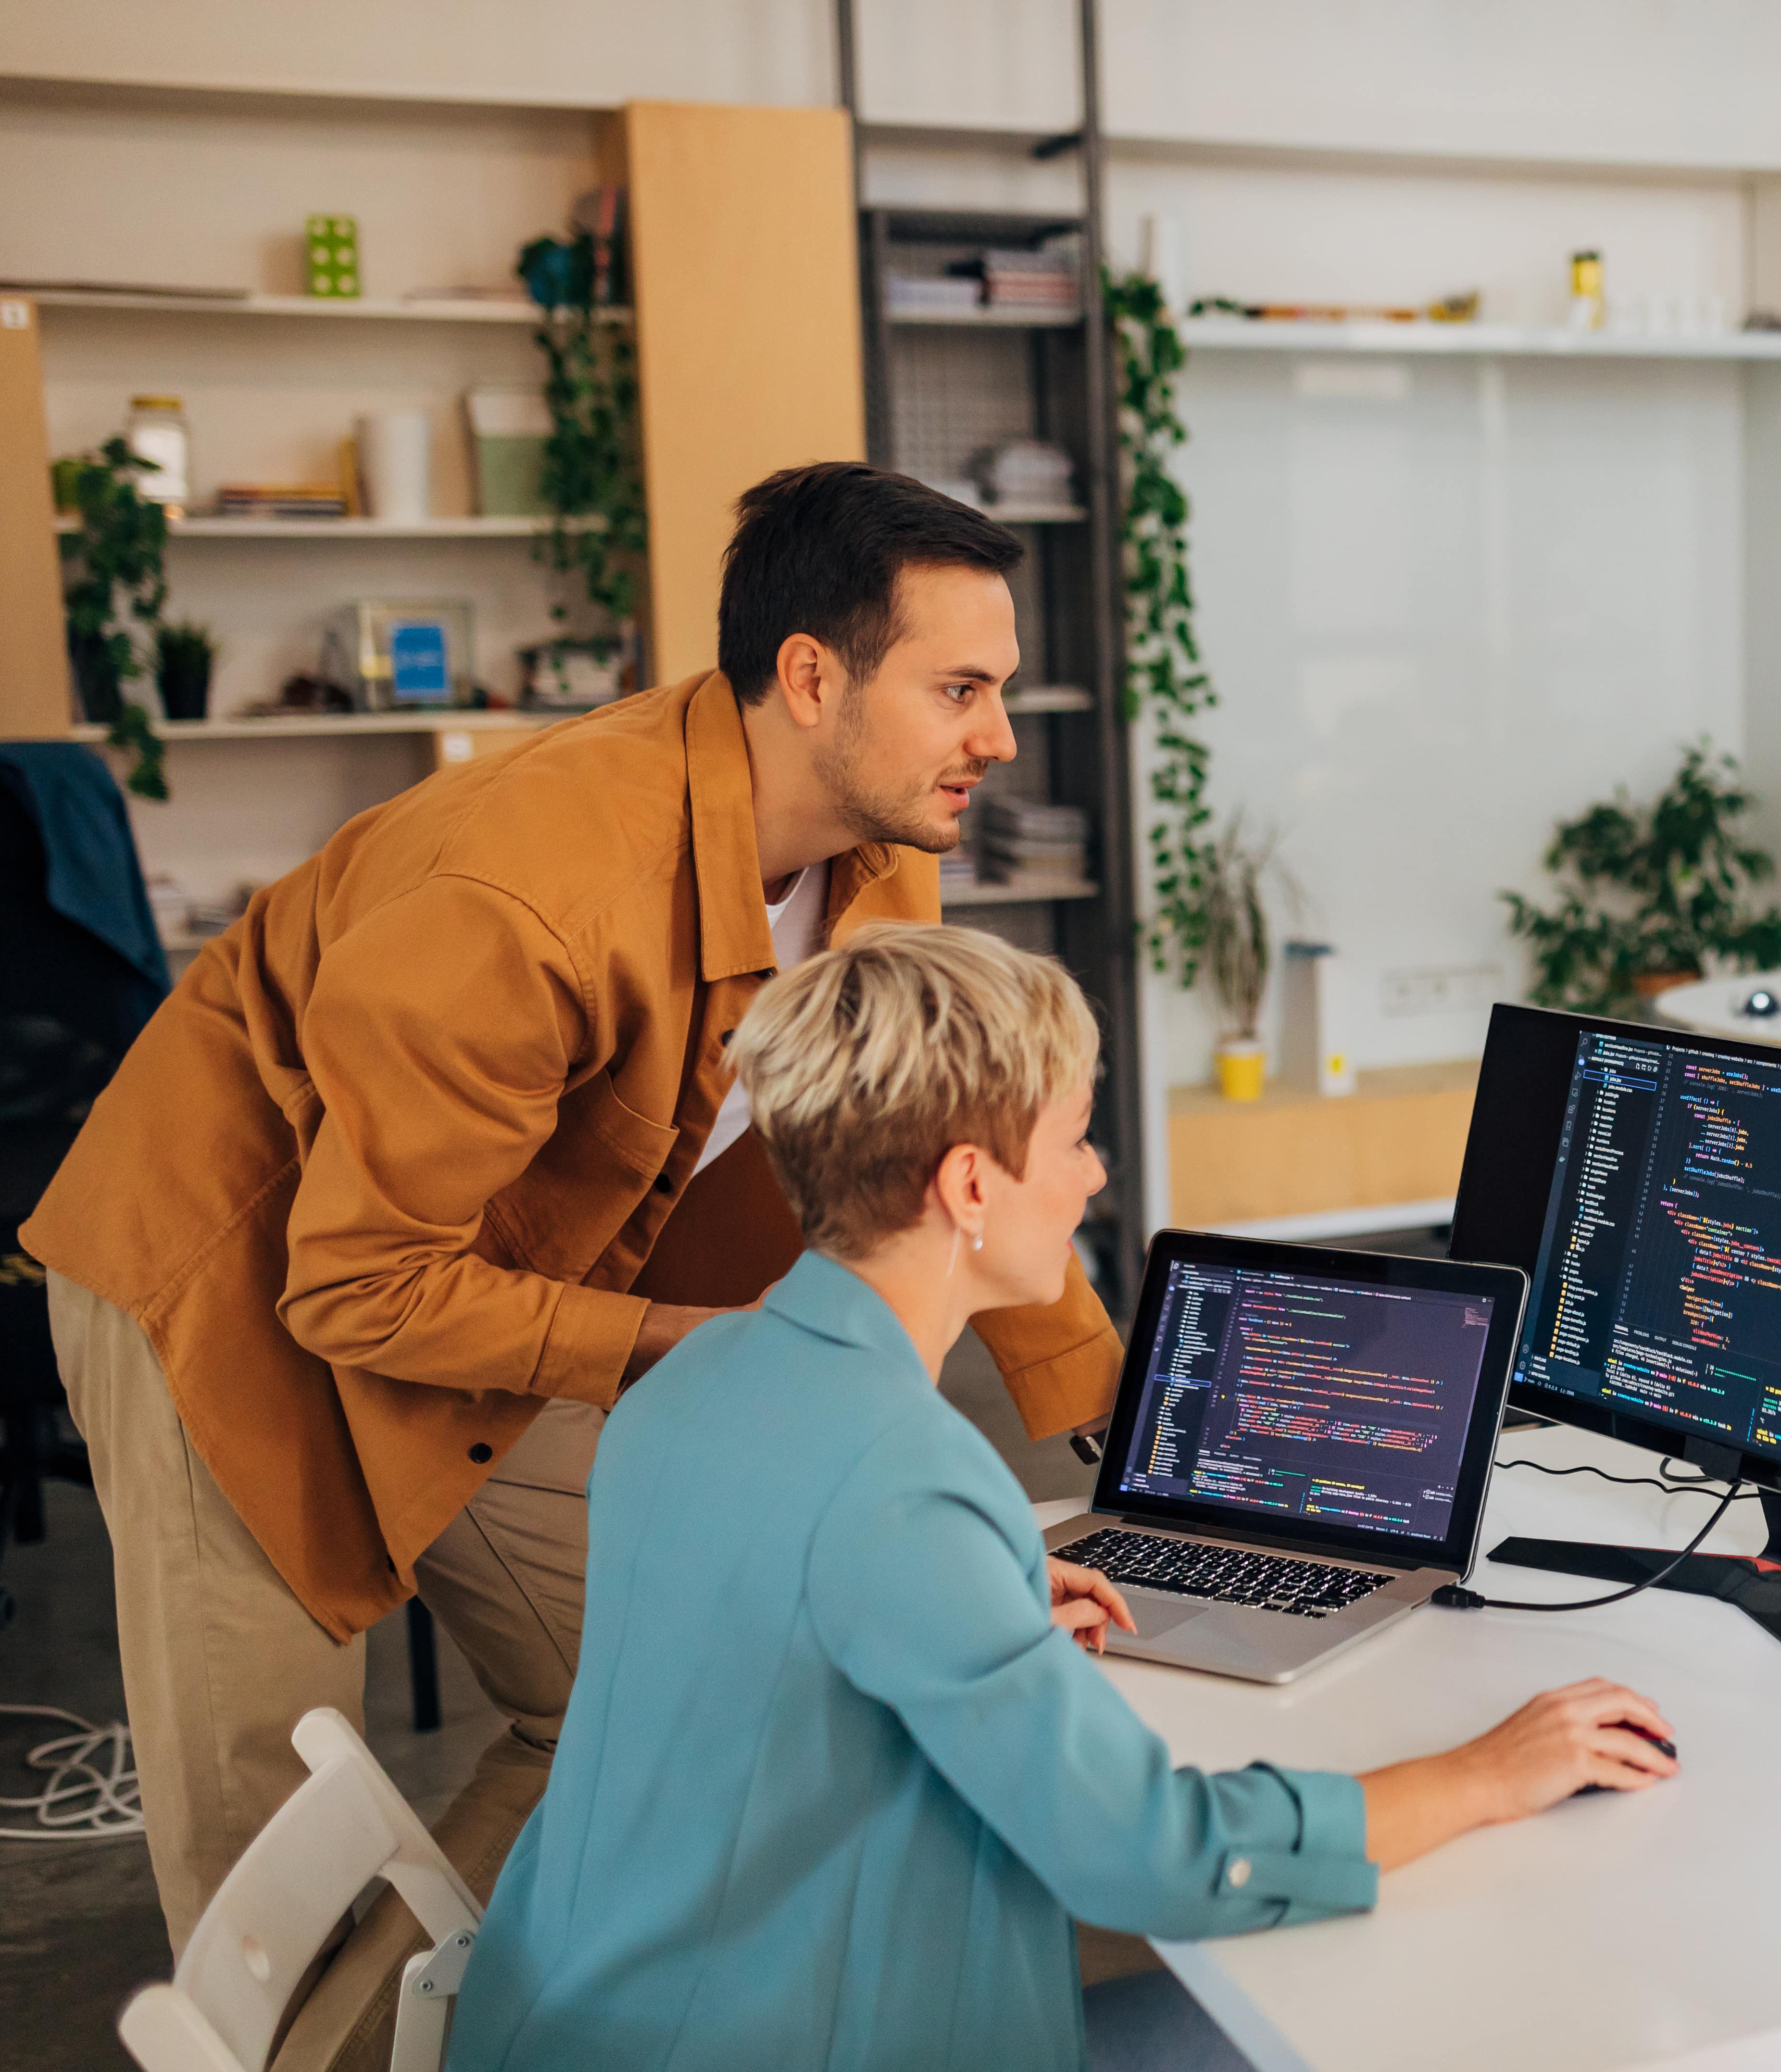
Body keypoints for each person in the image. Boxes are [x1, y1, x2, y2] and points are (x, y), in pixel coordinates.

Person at [20, 462, 1124, 1957]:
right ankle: (342, 2045)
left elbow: (948, 1131)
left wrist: (1125, 1420)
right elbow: (355, 1286)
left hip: (483, 1258)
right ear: (813, 678)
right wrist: (700, 1342)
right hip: (228, 1270)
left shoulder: (868, 859)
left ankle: (460, 2020)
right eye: (962, 690)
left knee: (670, 1676)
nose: (999, 736)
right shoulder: (531, 895)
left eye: (1001, 689)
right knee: (283, 1837)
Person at [445, 922, 1679, 2070]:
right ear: (970, 1186)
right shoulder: (901, 1480)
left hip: (574, 2009)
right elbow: (1159, 1859)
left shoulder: (701, 1373)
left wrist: (962, 1593)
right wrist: (1486, 1772)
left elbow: (765, 1619)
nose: (1093, 1176)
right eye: (1078, 1136)